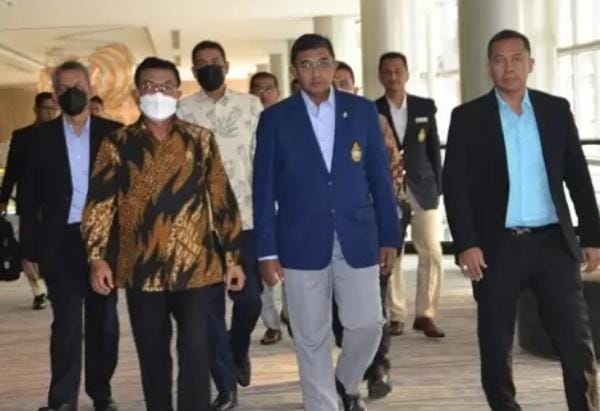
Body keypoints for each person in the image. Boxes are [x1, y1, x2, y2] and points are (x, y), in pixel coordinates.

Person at [443, 29, 600, 411]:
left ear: (530, 64)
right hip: (497, 247)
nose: (508, 67)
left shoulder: (555, 110)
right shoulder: (468, 118)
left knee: (576, 341)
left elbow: (578, 177)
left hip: (553, 244)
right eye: (499, 60)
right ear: (489, 67)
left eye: (516, 59)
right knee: (496, 346)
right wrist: (466, 243)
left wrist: (593, 236)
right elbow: (455, 186)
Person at [82, 56, 245, 411]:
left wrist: (233, 257)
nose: (158, 93)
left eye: (166, 86)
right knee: (152, 354)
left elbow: (222, 199)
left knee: (196, 352)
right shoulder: (117, 144)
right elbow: (99, 205)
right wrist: (97, 258)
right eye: (150, 86)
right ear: (136, 93)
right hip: (141, 269)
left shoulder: (200, 140)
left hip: (196, 267)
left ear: (178, 92)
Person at [253, 34, 401, 411]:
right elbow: (263, 189)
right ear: (294, 71)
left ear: (334, 65)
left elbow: (380, 179)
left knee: (368, 323)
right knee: (310, 335)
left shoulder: (362, 111)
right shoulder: (275, 119)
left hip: (358, 235)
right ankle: (323, 405)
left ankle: (344, 383)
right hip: (299, 240)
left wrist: (390, 237)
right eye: (306, 65)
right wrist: (266, 252)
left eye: (322, 63)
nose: (315, 72)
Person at [19, 61, 122, 411]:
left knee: (104, 323)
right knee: (65, 323)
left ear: (91, 88)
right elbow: (28, 197)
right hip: (58, 241)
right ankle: (62, 400)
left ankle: (101, 392)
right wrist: (28, 248)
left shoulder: (115, 134)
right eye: (64, 88)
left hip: (104, 240)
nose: (72, 92)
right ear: (55, 93)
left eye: (78, 85)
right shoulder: (38, 139)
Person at [177, 40, 262, 410]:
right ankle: (226, 388)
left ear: (226, 65)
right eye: (201, 63)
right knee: (209, 312)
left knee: (250, 300)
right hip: (201, 225)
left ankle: (236, 348)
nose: (208, 67)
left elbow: (262, 160)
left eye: (214, 61)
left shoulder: (251, 106)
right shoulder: (182, 111)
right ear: (193, 71)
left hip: (246, 219)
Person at [332, 60, 404, 399]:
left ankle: (378, 367)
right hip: (326, 236)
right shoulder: (309, 124)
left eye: (344, 82)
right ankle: (350, 371)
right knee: (338, 312)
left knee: (374, 304)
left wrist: (388, 227)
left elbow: (391, 175)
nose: (338, 87)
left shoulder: (373, 120)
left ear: (355, 86)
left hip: (369, 229)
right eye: (334, 81)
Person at [376, 51, 445, 338]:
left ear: (406, 74)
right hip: (388, 189)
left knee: (431, 249)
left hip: (422, 187)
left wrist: (438, 187)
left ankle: (425, 314)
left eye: (398, 71)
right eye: (387, 71)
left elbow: (433, 149)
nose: (393, 76)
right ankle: (396, 314)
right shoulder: (372, 109)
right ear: (380, 76)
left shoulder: (424, 106)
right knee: (393, 250)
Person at [0, 91, 58, 310]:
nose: (50, 113)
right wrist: (3, 199)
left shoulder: (62, 136)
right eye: (46, 109)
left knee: (52, 249)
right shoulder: (22, 137)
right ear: (36, 110)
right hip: (29, 204)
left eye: (53, 109)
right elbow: (12, 170)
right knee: (28, 250)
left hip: (56, 206)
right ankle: (38, 291)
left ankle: (53, 287)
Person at [249, 70, 286, 345]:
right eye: (258, 89)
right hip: (257, 206)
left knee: (295, 269)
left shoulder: (289, 120)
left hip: (288, 205)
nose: (264, 94)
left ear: (278, 92)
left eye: (269, 88)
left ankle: (292, 315)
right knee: (263, 269)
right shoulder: (245, 123)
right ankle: (272, 323)